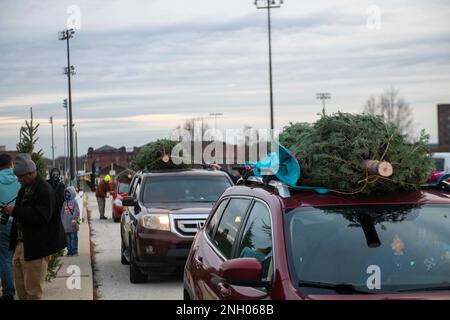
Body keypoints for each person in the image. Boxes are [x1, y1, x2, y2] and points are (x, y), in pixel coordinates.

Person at [4, 153, 66, 300]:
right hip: (21, 245)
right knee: (21, 291)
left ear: (31, 173)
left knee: (33, 292)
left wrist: (15, 210)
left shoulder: (44, 190)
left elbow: (41, 217)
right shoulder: (24, 189)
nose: (19, 180)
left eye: (21, 177)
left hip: (36, 247)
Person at [0, 154, 20, 300]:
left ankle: (8, 292)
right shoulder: (20, 179)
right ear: (11, 164)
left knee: (5, 258)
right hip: (19, 223)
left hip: (2, 223)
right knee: (18, 257)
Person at [61, 186, 80, 256]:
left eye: (68, 193)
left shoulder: (75, 202)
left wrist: (74, 220)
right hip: (66, 226)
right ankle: (69, 251)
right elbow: (62, 214)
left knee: (73, 238)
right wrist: (62, 222)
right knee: (68, 239)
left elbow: (77, 211)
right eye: (66, 193)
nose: (67, 195)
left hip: (73, 224)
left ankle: (74, 251)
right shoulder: (64, 203)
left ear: (72, 193)